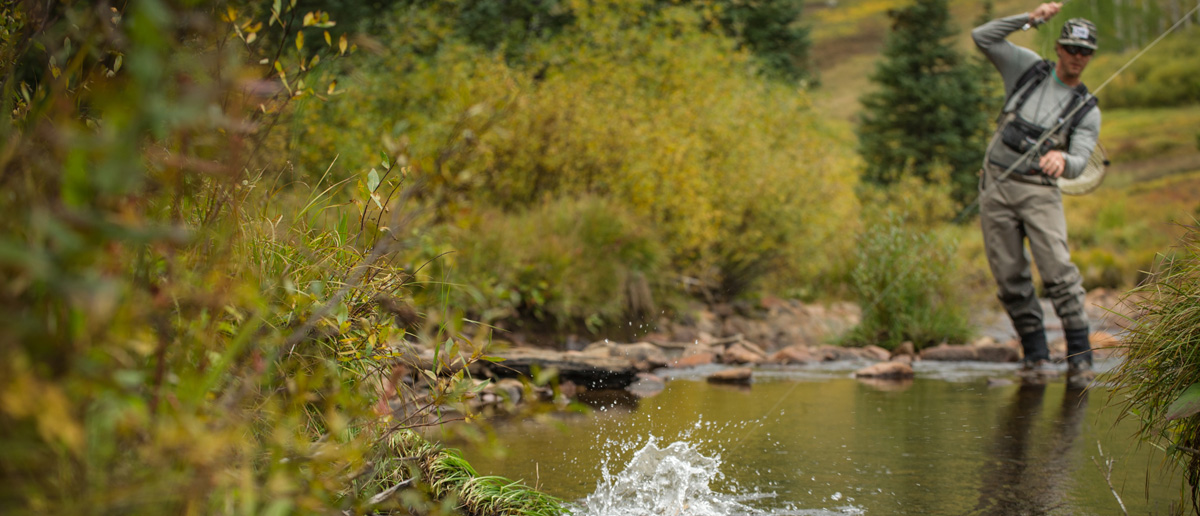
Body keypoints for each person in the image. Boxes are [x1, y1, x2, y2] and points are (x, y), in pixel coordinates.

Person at [972, 3, 1100, 389]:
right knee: (1010, 278)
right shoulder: (1027, 69)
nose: (1077, 58)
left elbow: (1081, 159)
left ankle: (1080, 358)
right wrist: (1030, 19)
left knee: (1060, 275)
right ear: (1059, 48)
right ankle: (1036, 357)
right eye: (1071, 49)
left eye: (1085, 52)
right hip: (995, 187)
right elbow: (982, 37)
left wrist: (1064, 158)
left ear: (1090, 56)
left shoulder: (1087, 109)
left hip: (1040, 194)